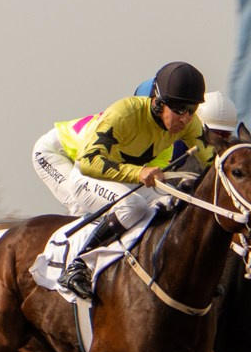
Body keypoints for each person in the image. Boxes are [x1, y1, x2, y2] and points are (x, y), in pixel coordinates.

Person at [32, 61, 215, 299]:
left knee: (171, 202)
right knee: (125, 206)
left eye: (192, 109)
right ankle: (76, 266)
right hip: (73, 163)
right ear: (159, 102)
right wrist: (138, 173)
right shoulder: (125, 113)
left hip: (107, 169)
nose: (186, 118)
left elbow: (213, 160)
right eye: (180, 109)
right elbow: (88, 162)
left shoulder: (187, 125)